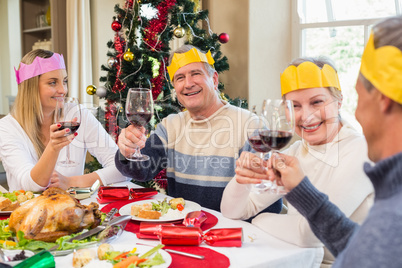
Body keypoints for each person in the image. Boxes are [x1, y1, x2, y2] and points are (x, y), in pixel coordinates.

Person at [264, 15, 402, 267]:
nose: (356, 114)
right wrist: (301, 190)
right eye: (294, 106)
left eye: (360, 97)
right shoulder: (391, 192)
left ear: (383, 100)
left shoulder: (393, 210)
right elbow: (359, 244)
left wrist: (257, 220)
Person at [221, 56, 374, 266]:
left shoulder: (362, 151)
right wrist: (241, 180)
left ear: (339, 102)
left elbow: (310, 234)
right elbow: (233, 211)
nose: (306, 116)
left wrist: (259, 220)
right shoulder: (295, 151)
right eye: (294, 106)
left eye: (317, 102)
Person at [115, 45, 282, 213]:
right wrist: (127, 150)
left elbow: (268, 201)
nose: (188, 84)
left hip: (232, 233)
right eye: (180, 78)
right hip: (182, 231)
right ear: (175, 88)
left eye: (196, 74)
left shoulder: (251, 126)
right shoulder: (170, 125)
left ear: (214, 80)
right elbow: (141, 171)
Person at [0, 49, 128, 191]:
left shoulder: (78, 115)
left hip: (70, 210)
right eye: (53, 82)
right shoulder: (7, 128)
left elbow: (123, 167)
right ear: (30, 87)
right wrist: (53, 148)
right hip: (27, 211)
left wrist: (71, 181)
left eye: (64, 81)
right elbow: (30, 186)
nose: (63, 90)